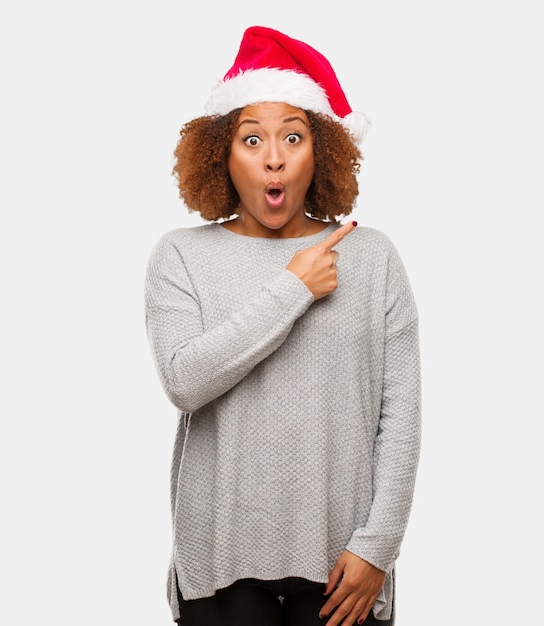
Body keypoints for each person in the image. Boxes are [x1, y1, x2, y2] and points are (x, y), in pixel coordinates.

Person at [145, 25, 421, 626]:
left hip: (344, 569)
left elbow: (399, 417)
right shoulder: (181, 256)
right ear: (222, 152)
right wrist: (294, 286)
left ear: (320, 150)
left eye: (293, 137)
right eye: (252, 139)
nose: (273, 157)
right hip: (219, 564)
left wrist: (379, 548)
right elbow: (184, 381)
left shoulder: (370, 257)